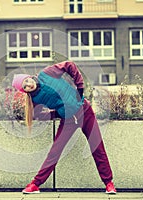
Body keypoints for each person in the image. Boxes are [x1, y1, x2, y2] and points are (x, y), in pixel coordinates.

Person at [11, 61, 116, 194]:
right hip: (67, 121)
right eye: (25, 87)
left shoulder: (46, 74)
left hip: (85, 111)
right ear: (24, 91)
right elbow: (38, 115)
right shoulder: (35, 99)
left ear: (29, 77)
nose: (28, 85)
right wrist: (58, 113)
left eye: (27, 81)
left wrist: (80, 87)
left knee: (97, 147)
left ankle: (109, 183)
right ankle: (35, 184)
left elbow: (69, 65)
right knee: (55, 152)